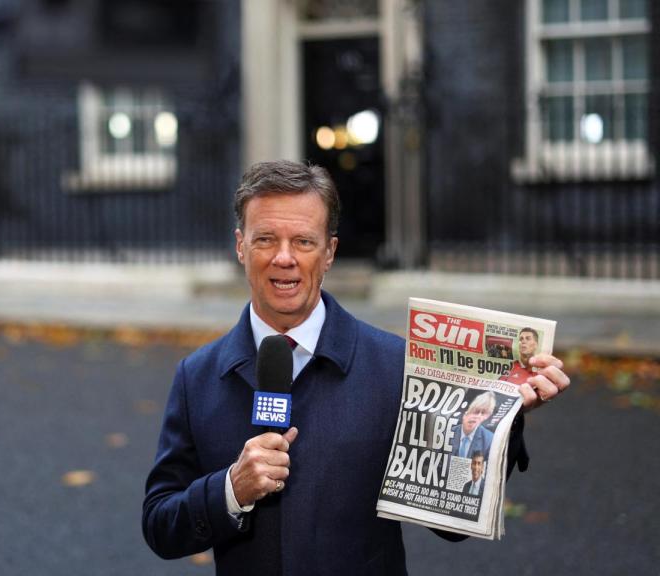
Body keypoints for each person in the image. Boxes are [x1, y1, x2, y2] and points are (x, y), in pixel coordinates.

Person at [141, 160, 572, 575]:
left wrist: (502, 420)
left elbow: (449, 526)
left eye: (304, 242)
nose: (284, 258)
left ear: (329, 253)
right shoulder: (196, 376)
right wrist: (230, 490)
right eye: (266, 239)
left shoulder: (395, 366)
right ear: (241, 246)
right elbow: (161, 526)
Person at [450, 391, 496, 460]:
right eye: (476, 411)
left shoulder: (489, 440)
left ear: (487, 416)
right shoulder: (449, 432)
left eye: (483, 413)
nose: (478, 416)